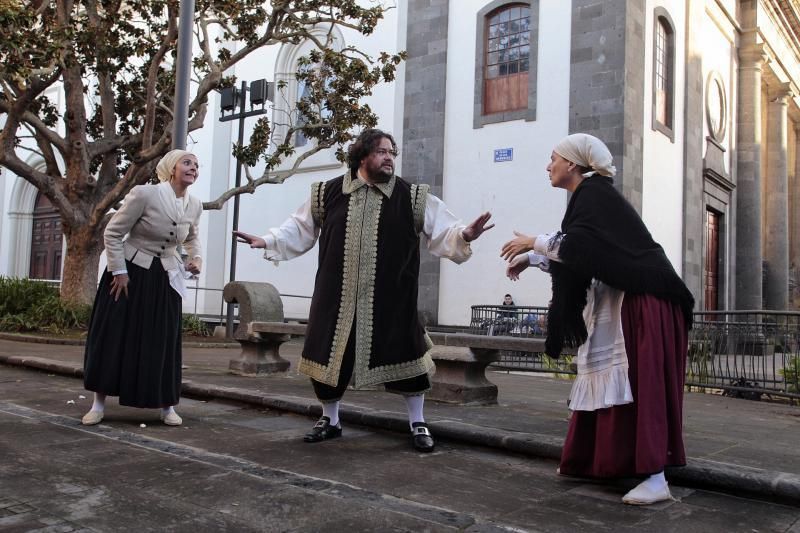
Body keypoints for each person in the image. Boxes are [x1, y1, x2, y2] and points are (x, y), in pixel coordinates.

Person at [234, 128, 493, 452]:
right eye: (382, 151)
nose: (389, 158)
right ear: (361, 155)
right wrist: (268, 240)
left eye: (392, 153)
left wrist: (464, 234)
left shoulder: (412, 196)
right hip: (335, 300)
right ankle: (331, 419)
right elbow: (298, 228)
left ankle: (417, 421)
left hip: (391, 299)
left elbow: (443, 229)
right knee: (327, 358)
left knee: (408, 357)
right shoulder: (326, 193)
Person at [501, 133, 694, 505]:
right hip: (630, 299)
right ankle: (603, 462)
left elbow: (584, 248)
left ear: (572, 164)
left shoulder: (595, 194)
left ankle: (656, 478)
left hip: (644, 301)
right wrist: (534, 257)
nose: (548, 166)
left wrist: (536, 244)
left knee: (641, 385)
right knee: (618, 384)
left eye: (552, 158)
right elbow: (584, 253)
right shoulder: (586, 199)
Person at [81, 149, 203, 427]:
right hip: (130, 274)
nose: (193, 167)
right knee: (115, 335)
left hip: (166, 278)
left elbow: (193, 238)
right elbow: (112, 233)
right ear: (172, 168)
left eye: (196, 165)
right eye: (187, 162)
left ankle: (166, 405)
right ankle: (98, 404)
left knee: (163, 338)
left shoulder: (194, 205)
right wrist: (119, 271)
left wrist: (196, 258)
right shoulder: (144, 194)